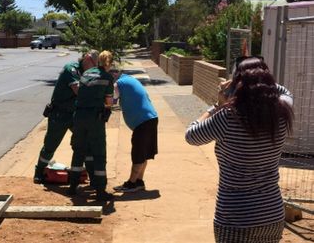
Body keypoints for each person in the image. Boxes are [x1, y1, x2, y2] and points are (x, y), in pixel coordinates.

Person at [185, 57, 294, 243]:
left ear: (238, 84)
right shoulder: (282, 111)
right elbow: (285, 91)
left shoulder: (228, 117)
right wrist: (261, 80)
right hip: (272, 214)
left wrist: (217, 105)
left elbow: (191, 135)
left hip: (235, 218)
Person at [33, 50, 99, 183]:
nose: (94, 68)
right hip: (60, 114)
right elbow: (78, 90)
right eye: (93, 64)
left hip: (75, 114)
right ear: (86, 58)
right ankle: (39, 172)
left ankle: (93, 177)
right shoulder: (71, 69)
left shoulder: (87, 72)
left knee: (87, 143)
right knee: (51, 144)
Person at [68, 50, 115, 201]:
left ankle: (73, 186)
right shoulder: (107, 77)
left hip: (79, 117)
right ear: (109, 63)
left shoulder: (86, 74)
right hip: (94, 118)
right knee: (99, 153)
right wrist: (107, 108)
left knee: (78, 150)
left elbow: (81, 93)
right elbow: (108, 102)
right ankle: (100, 190)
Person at [109, 68, 158, 192]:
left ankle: (131, 183)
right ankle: (138, 181)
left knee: (138, 153)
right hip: (150, 118)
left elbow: (111, 101)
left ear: (114, 75)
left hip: (143, 121)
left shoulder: (118, 83)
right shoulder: (129, 79)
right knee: (143, 153)